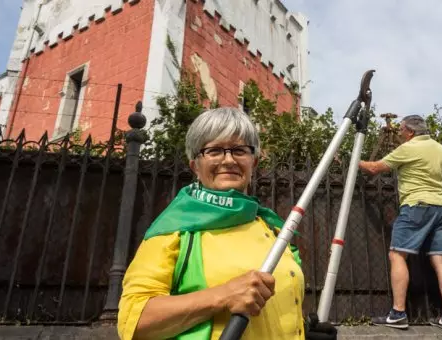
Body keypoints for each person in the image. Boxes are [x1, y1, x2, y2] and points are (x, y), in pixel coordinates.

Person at [117, 107, 337, 340]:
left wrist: (304, 331)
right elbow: (133, 321)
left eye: (239, 150)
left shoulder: (273, 230)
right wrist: (223, 296)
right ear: (195, 166)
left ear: (254, 161)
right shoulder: (174, 230)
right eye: (214, 150)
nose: (229, 159)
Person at [358, 115, 442, 336]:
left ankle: (398, 313)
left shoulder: (408, 148)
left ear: (410, 132)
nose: (400, 133)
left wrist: (354, 160)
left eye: (402, 130)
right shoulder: (441, 149)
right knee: (440, 260)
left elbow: (375, 168)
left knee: (397, 255)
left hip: (416, 205)